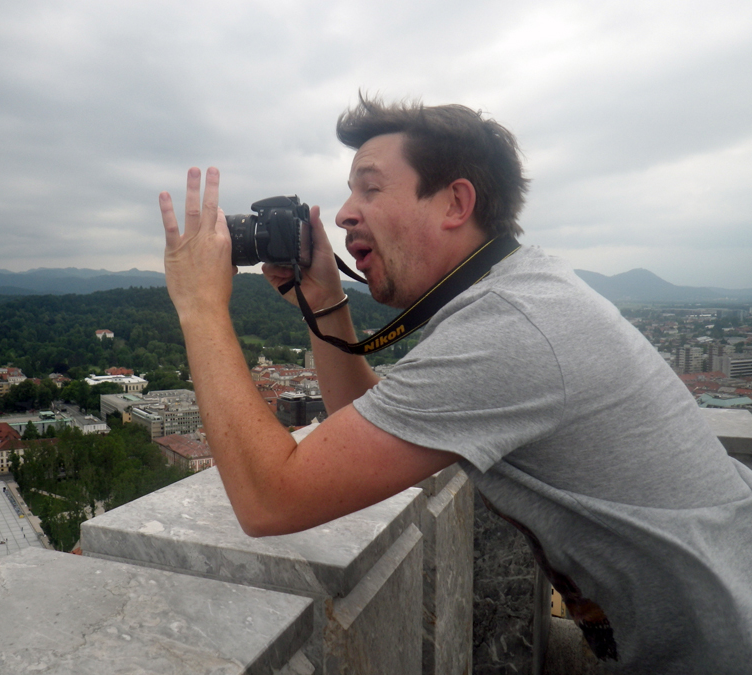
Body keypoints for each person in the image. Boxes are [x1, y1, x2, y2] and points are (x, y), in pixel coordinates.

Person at [159, 96, 752, 673]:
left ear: (455, 202)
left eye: (370, 188)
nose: (342, 214)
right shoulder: (519, 294)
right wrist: (326, 302)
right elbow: (362, 424)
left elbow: (270, 500)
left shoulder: (511, 328)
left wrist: (200, 306)